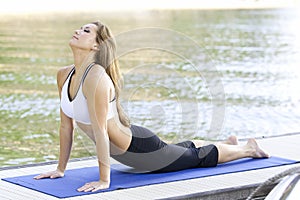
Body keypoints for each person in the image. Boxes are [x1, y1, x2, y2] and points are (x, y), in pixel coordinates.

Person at [34, 21, 270, 192]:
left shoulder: (96, 78)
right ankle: (227, 145)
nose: (78, 31)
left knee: (195, 157)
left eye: (86, 31)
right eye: (80, 28)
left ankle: (248, 149)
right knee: (180, 151)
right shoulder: (64, 74)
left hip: (140, 151)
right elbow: (66, 127)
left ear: (97, 46)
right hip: (131, 147)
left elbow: (101, 132)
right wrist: (60, 169)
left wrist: (104, 180)